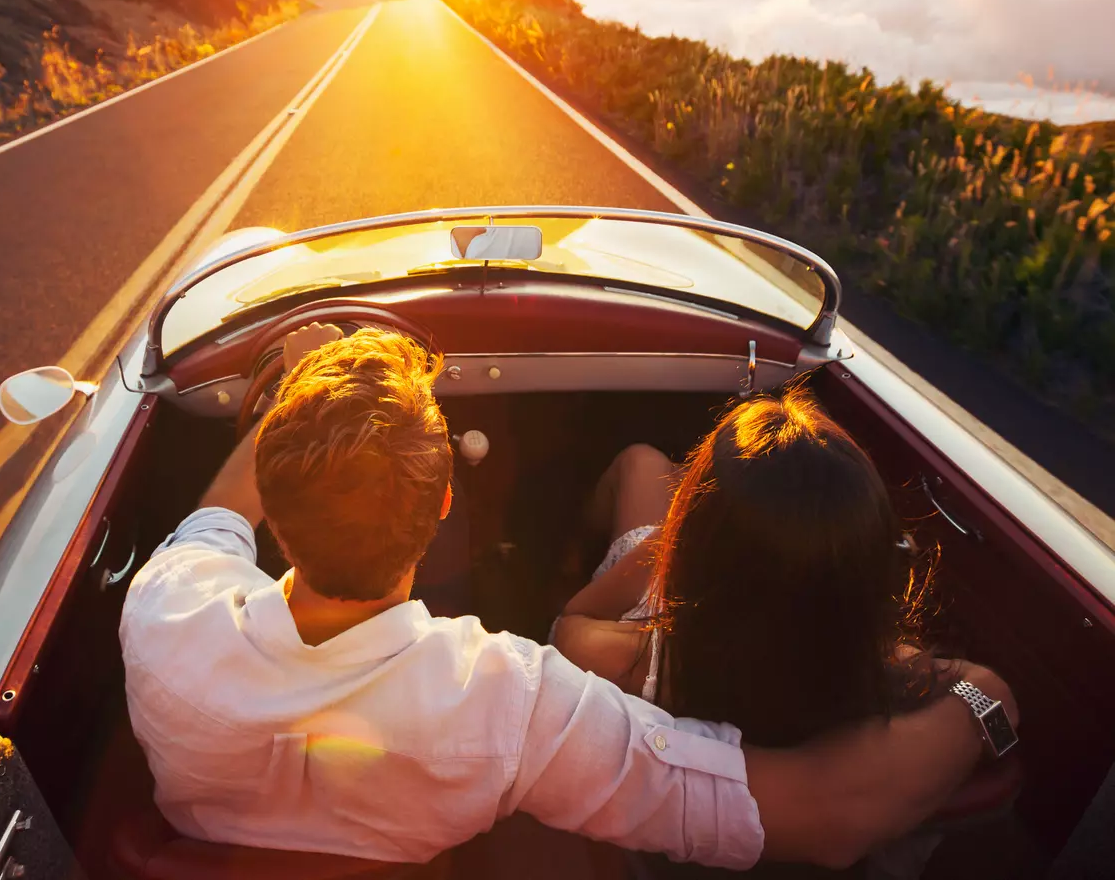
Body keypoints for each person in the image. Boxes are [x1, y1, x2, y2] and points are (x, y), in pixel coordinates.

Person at [119, 326, 1017, 870]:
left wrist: (294, 392)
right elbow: (829, 820)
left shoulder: (165, 611)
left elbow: (216, 518)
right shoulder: (514, 703)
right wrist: (984, 698)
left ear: (272, 512)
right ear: (441, 509)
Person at [552, 390, 941, 742]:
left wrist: (670, 538)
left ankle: (567, 558)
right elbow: (984, 689)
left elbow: (568, 625)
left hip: (660, 618)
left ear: (694, 552)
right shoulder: (885, 670)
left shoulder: (630, 658)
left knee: (640, 461)